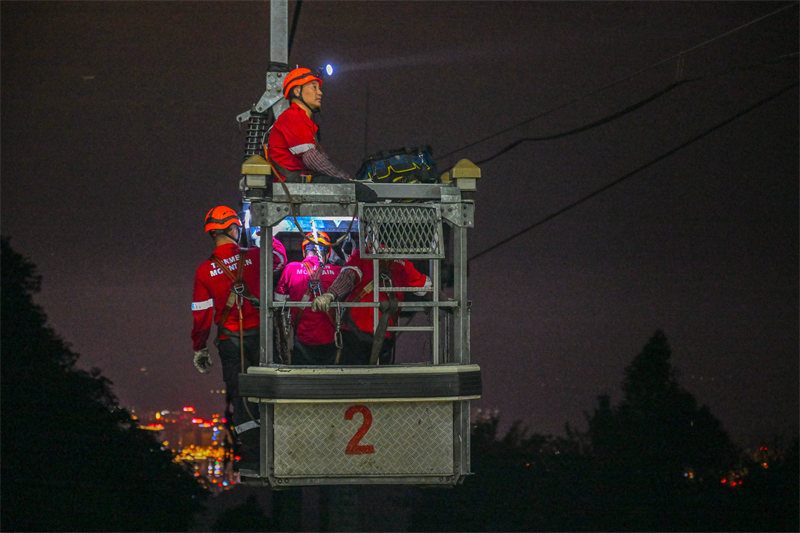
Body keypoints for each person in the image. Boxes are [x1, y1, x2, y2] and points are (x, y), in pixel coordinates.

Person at [190, 205, 287, 470]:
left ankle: (255, 456)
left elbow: (201, 318)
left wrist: (200, 349)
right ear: (234, 229)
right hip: (263, 339)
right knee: (271, 390)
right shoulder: (255, 256)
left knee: (240, 398)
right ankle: (280, 444)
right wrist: (267, 238)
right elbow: (279, 260)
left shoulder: (203, 271)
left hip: (231, 342)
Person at [266, 67, 376, 201]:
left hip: (298, 183)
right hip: (295, 185)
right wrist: (343, 178)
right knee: (366, 194)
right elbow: (311, 158)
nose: (320, 93)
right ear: (297, 91)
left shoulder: (300, 120)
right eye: (314, 87)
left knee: (357, 189)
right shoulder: (293, 117)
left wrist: (346, 181)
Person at [311, 246, 431, 365]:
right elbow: (427, 289)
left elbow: (349, 276)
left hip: (355, 332)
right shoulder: (403, 263)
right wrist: (447, 305)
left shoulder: (363, 254)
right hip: (384, 334)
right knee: (379, 377)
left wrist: (331, 294)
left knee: (351, 376)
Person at [275, 231, 343, 365]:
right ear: (328, 252)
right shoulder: (337, 271)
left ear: (304, 252)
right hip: (331, 341)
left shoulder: (291, 269)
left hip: (301, 341)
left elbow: (279, 303)